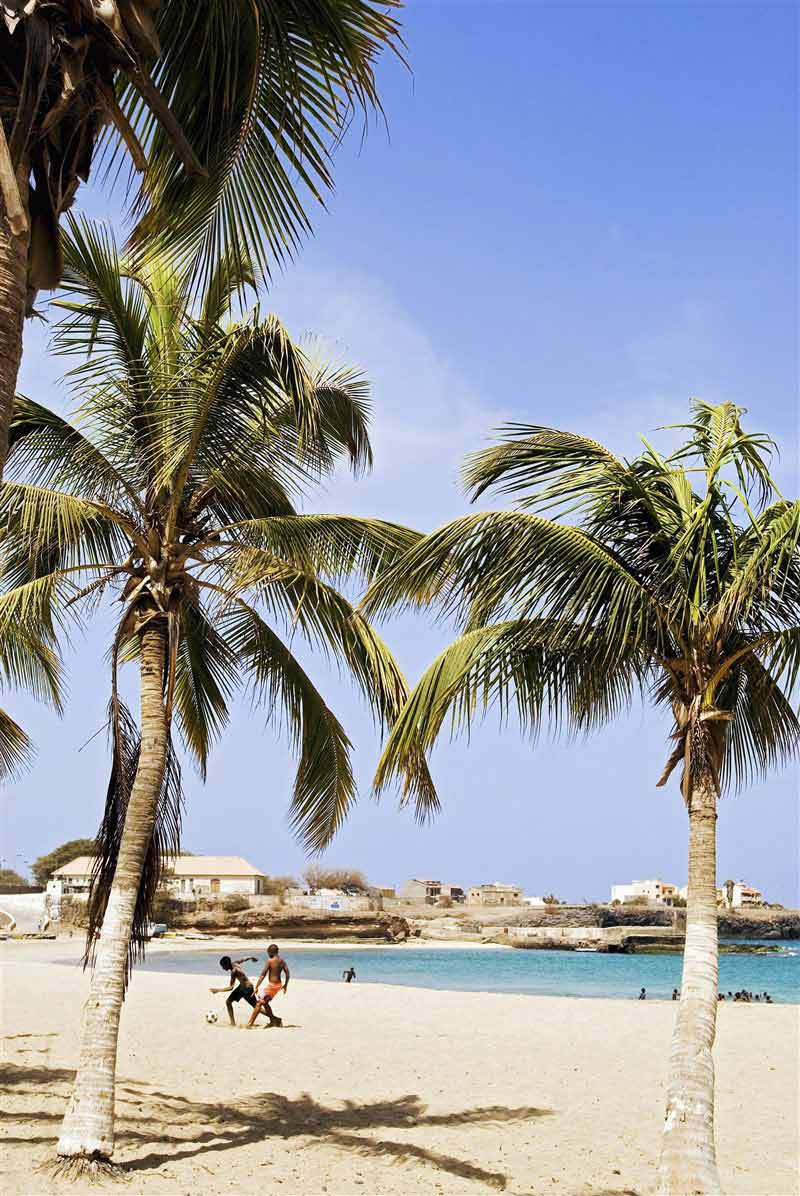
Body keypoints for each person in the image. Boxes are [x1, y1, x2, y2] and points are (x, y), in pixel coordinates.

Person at [247, 943, 290, 1028]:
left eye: (268, 952)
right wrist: (285, 985)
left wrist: (256, 987)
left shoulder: (270, 961)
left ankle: (249, 1024)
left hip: (272, 986)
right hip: (278, 985)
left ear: (271, 952)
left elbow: (263, 975)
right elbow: (288, 974)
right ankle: (275, 1021)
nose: (268, 954)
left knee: (259, 1003)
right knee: (265, 1003)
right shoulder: (282, 961)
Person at [209, 955, 259, 1026]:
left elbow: (231, 987)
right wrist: (251, 957)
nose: (223, 968)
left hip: (245, 988)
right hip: (247, 986)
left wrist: (217, 990)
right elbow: (244, 959)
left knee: (228, 1002)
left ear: (227, 964)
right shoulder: (235, 963)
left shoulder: (233, 971)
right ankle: (273, 1018)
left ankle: (233, 1023)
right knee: (256, 1006)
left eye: (223, 966)